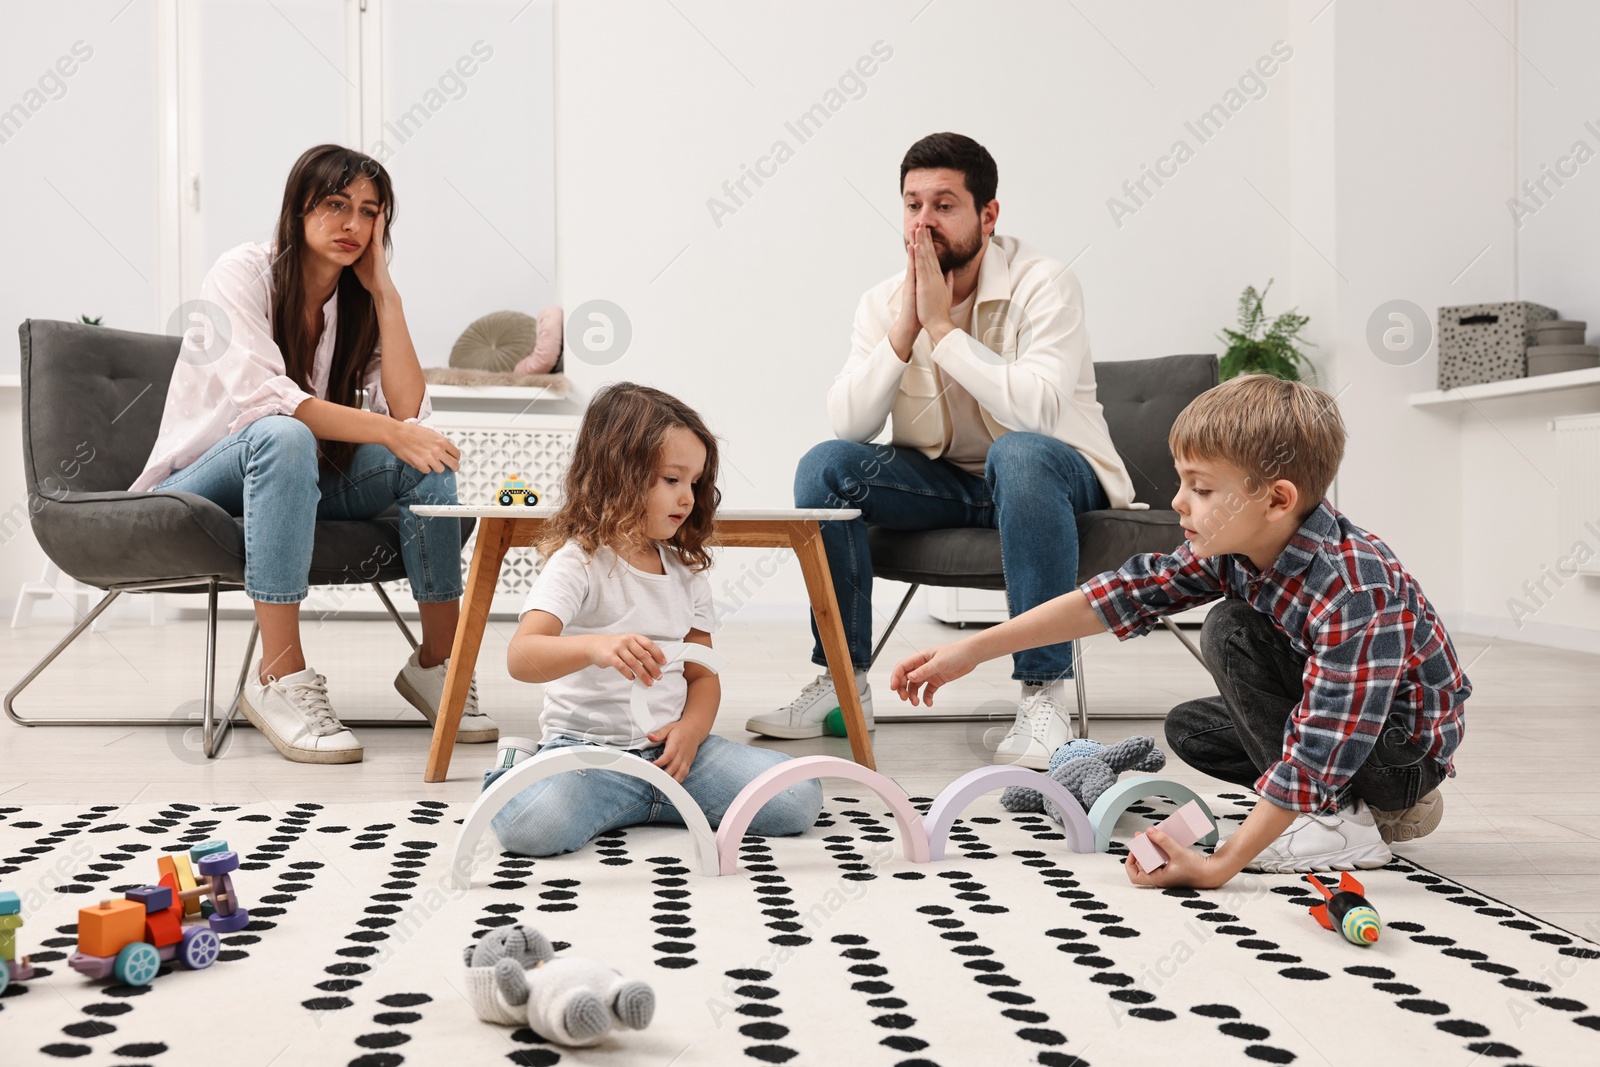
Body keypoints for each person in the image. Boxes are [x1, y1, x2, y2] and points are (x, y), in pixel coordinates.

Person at [890, 375, 1470, 882]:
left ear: (1276, 500)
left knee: (1230, 628)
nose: (1178, 502)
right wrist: (973, 650)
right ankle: (1350, 814)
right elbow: (1115, 597)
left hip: (1398, 753)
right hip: (1340, 733)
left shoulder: (1354, 591)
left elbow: (1326, 740)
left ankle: (1342, 823)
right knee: (1191, 729)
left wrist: (1221, 865)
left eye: (1201, 487)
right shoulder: (1231, 546)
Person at [747, 132, 1137, 769]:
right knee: (826, 466)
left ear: (988, 215)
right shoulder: (881, 303)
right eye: (911, 205)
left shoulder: (1045, 283)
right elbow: (849, 422)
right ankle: (842, 687)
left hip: (1056, 476)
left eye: (944, 205)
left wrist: (943, 332)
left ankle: (1043, 697)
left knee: (1020, 454)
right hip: (948, 486)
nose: (923, 222)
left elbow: (1036, 411)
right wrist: (904, 330)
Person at [130, 144, 494, 764]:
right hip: (201, 483)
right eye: (335, 205)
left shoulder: (356, 299)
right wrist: (389, 432)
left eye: (369, 211)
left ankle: (440, 665)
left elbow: (407, 413)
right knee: (282, 431)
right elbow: (270, 403)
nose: (353, 224)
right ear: (299, 209)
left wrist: (386, 295)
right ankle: (279, 676)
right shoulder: (241, 273)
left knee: (423, 456)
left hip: (298, 478)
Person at [486, 382, 821, 857]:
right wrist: (595, 647)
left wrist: (692, 731)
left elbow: (703, 675)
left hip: (676, 758)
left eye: (695, 483)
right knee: (531, 827)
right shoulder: (578, 561)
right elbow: (522, 658)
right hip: (588, 754)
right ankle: (516, 768)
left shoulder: (686, 573)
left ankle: (651, 800)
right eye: (671, 480)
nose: (687, 497)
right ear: (617, 473)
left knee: (798, 797)